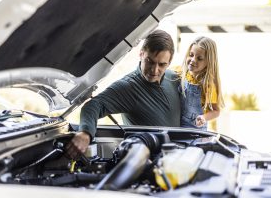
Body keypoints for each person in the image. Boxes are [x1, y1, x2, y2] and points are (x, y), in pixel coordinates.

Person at [66, 30, 181, 159]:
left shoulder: (175, 78)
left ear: (169, 62)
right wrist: (85, 133)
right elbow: (93, 106)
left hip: (179, 157)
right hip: (147, 163)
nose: (155, 70)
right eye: (150, 61)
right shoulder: (128, 87)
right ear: (141, 54)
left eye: (162, 64)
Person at [176, 36, 224, 130]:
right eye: (191, 54)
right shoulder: (179, 72)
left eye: (199, 58)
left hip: (196, 129)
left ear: (208, 62)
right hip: (177, 126)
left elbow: (216, 111)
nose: (193, 60)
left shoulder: (208, 85)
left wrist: (203, 118)